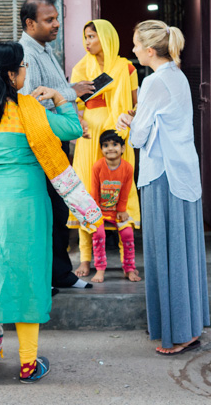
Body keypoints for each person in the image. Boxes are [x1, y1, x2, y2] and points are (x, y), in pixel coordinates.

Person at [0, 42, 101, 384]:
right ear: (12, 75)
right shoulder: (32, 111)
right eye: (22, 67)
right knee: (29, 278)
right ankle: (28, 364)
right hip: (26, 205)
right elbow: (73, 130)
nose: (25, 72)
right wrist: (63, 100)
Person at [117, 21, 209, 356]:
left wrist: (129, 122)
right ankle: (187, 326)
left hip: (163, 175)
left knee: (165, 252)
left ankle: (178, 332)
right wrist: (139, 117)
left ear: (150, 50)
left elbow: (140, 136)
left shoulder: (154, 82)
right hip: (182, 172)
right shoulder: (176, 76)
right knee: (183, 252)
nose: (133, 50)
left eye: (136, 44)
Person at [18, 0, 95, 290]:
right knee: (44, 211)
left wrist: (67, 91)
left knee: (58, 209)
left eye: (56, 18)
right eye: (49, 20)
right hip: (42, 143)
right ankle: (46, 278)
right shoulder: (26, 53)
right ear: (30, 23)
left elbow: (52, 91)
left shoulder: (45, 48)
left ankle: (61, 274)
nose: (56, 24)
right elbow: (33, 100)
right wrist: (71, 92)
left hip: (55, 140)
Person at [69, 20, 140, 279]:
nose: (87, 42)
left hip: (118, 137)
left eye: (92, 37)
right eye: (85, 37)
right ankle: (86, 259)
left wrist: (128, 116)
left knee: (121, 188)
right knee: (87, 191)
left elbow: (135, 104)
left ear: (106, 38)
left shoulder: (126, 67)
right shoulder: (80, 68)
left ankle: (128, 263)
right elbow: (72, 106)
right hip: (89, 140)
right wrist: (81, 120)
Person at [87, 130, 140, 283]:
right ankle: (100, 269)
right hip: (100, 211)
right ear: (101, 149)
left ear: (123, 148)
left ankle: (129, 269)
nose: (110, 148)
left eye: (115, 144)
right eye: (106, 145)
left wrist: (122, 210)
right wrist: (96, 213)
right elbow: (94, 191)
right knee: (99, 234)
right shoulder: (97, 167)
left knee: (128, 233)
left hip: (117, 211)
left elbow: (125, 191)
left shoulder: (128, 168)